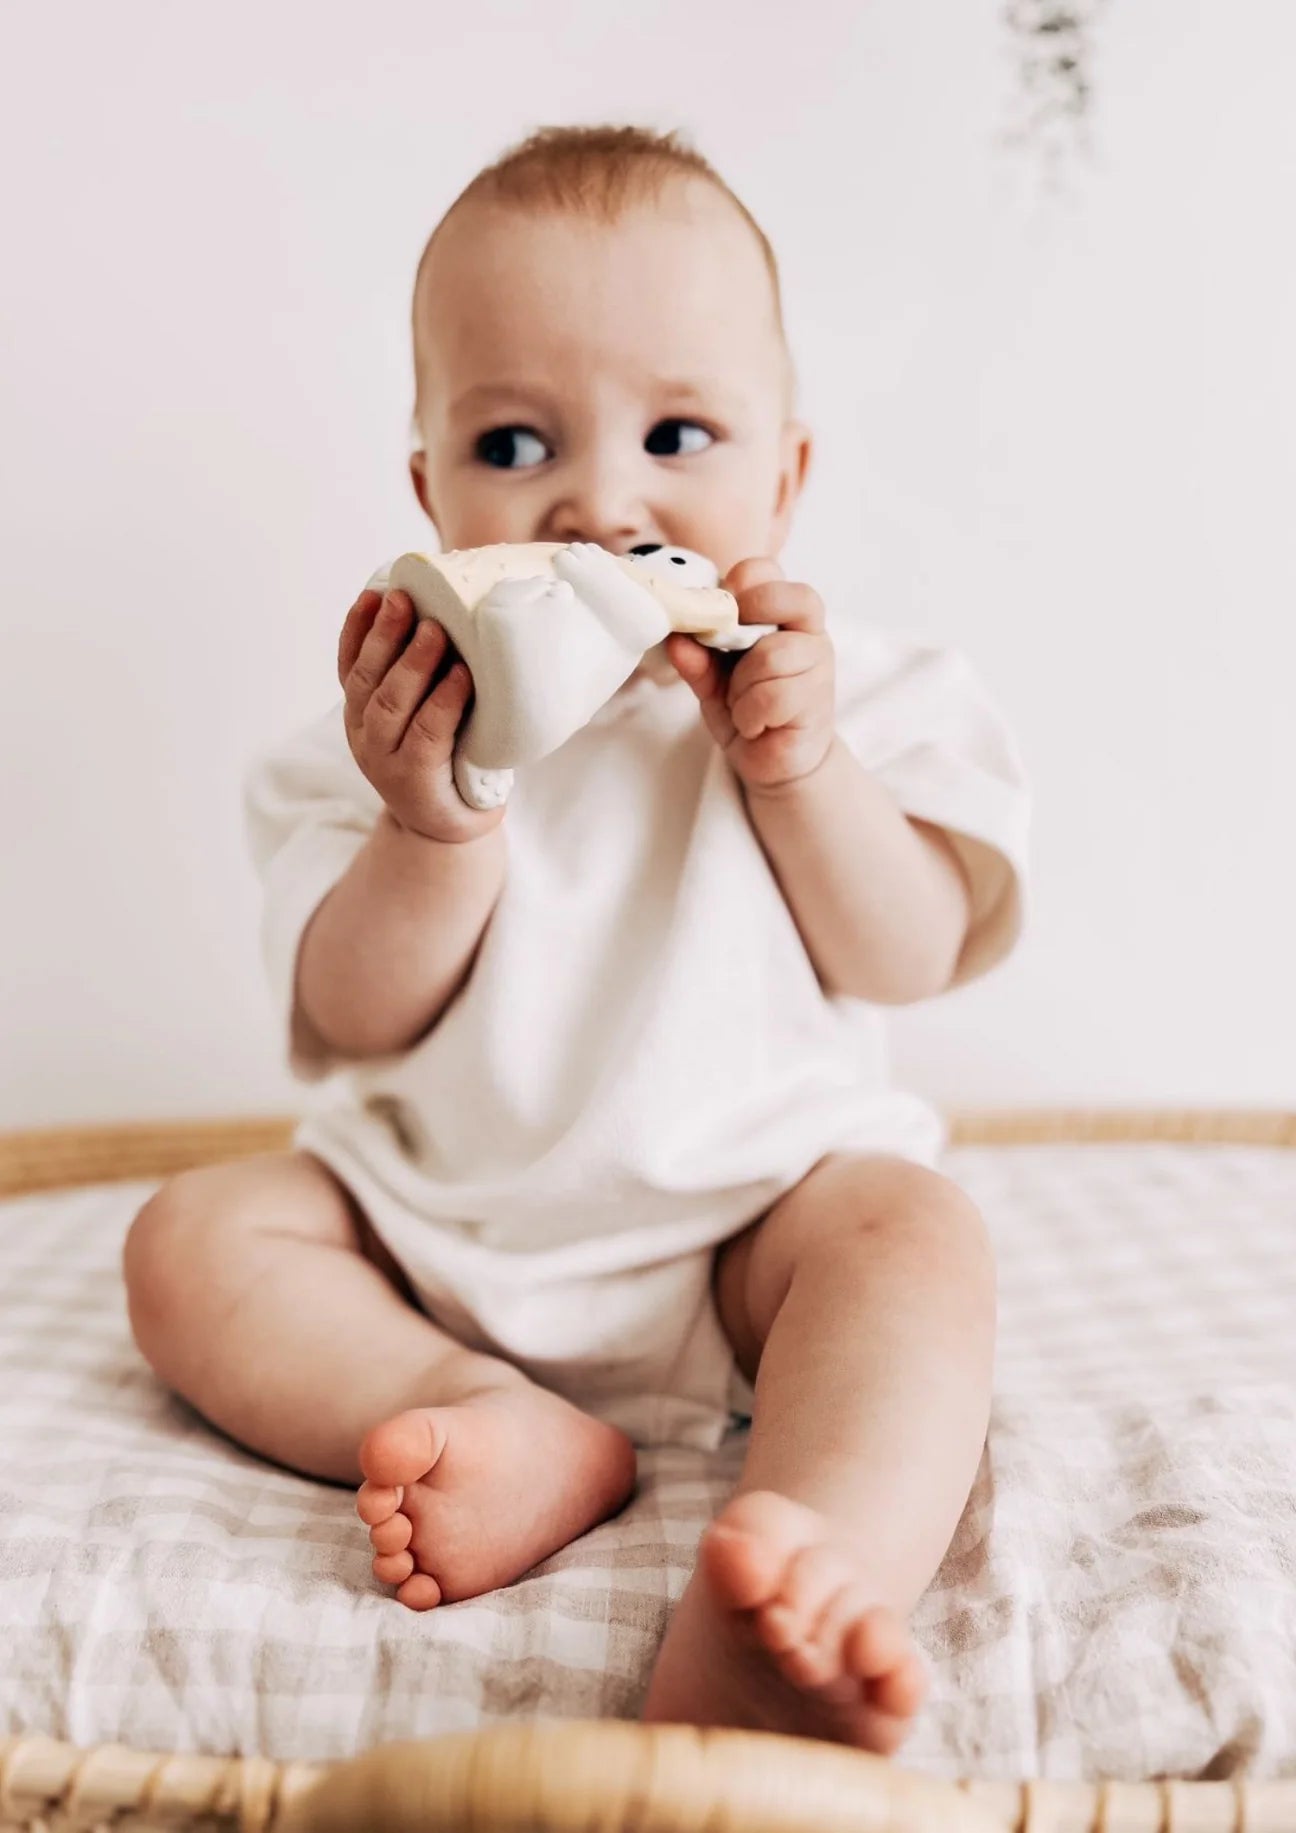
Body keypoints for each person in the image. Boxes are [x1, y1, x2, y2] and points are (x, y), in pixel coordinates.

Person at [124, 123, 1030, 1751]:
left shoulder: (864, 698)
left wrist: (801, 770)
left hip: (747, 1232)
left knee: (915, 1236)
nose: (603, 504)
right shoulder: (389, 728)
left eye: (678, 434)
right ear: (431, 493)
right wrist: (432, 818)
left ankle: (811, 1567)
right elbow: (355, 1012)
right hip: (430, 1235)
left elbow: (909, 949)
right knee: (193, 1236)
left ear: (786, 479)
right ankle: (493, 1416)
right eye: (518, 441)